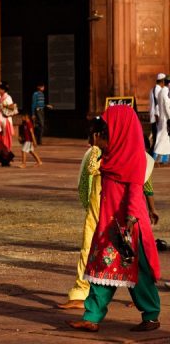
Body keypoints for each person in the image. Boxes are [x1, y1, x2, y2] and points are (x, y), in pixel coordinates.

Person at [66, 105, 162, 333]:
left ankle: (151, 315)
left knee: (137, 273)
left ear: (119, 133)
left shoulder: (134, 158)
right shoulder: (110, 159)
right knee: (102, 268)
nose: (97, 142)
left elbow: (135, 191)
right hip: (109, 224)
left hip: (128, 226)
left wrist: (130, 218)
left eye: (102, 136)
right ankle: (92, 317)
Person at [153, 75, 170, 165]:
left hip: (163, 118)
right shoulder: (165, 91)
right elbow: (167, 105)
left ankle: (164, 159)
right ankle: (156, 158)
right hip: (166, 119)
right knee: (162, 138)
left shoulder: (161, 91)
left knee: (163, 138)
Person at [0, 82, 15, 150]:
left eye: (0, 89)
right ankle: (2, 151)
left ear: (3, 90)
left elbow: (11, 109)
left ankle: (7, 151)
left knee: (5, 136)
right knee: (0, 136)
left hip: (5, 119)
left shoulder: (8, 97)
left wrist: (4, 110)